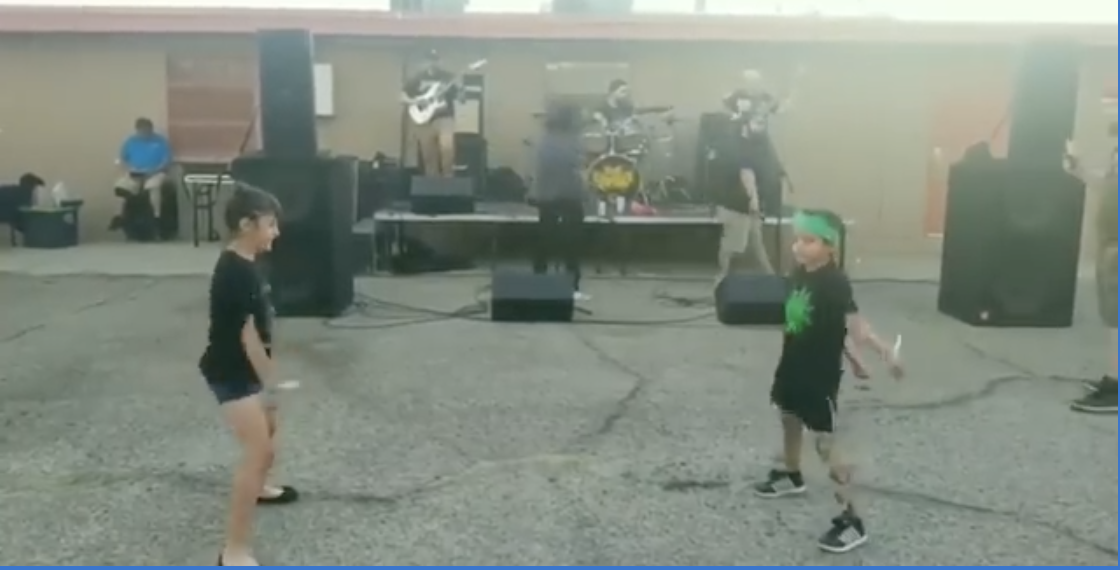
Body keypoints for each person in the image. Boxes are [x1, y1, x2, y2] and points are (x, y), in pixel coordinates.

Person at [752, 209, 903, 554]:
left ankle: (852, 521)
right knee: (788, 416)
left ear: (830, 246)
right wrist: (854, 360)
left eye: (809, 241)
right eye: (798, 239)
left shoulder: (835, 283)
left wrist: (883, 353)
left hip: (818, 374)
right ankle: (791, 475)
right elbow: (821, 324)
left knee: (824, 445)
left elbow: (854, 326)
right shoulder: (799, 273)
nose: (799, 247)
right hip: (792, 363)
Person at [199, 185, 299, 567]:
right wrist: (270, 381)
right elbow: (246, 336)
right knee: (259, 451)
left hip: (247, 369)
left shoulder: (247, 262)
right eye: (270, 224)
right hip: (230, 372)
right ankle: (234, 550)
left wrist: (270, 382)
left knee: (270, 427)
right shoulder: (233, 272)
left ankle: (261, 488)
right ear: (246, 224)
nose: (275, 232)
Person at [1064, 130, 1118, 414]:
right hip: (1111, 243)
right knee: (1113, 318)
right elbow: (1110, 186)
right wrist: (1081, 171)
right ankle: (1113, 379)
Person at [532, 103, 590, 301]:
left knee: (543, 241)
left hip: (546, 196)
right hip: (570, 195)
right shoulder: (575, 141)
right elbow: (579, 168)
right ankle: (572, 287)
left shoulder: (544, 140)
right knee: (572, 244)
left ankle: (539, 282)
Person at [712, 125, 775, 284]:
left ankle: (771, 277)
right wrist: (754, 201)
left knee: (756, 243)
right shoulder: (743, 148)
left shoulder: (738, 146)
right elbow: (746, 175)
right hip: (738, 205)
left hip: (735, 204)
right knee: (733, 245)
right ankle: (722, 279)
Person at [401, 50, 459, 177]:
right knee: (428, 154)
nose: (432, 63)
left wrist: (462, 92)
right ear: (424, 62)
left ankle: (449, 182)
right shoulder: (417, 78)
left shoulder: (447, 78)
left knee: (447, 150)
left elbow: (459, 95)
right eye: (429, 60)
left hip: (444, 117)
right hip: (424, 119)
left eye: (435, 60)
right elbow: (403, 96)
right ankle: (432, 184)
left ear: (439, 61)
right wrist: (417, 100)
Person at [114, 117, 172, 218]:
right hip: (135, 173)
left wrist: (155, 170)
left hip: (156, 173)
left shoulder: (160, 141)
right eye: (142, 131)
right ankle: (120, 215)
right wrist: (129, 168)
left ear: (151, 129)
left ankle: (156, 215)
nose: (144, 133)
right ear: (137, 130)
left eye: (147, 130)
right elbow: (122, 158)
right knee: (121, 187)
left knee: (153, 186)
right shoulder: (131, 141)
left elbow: (166, 161)